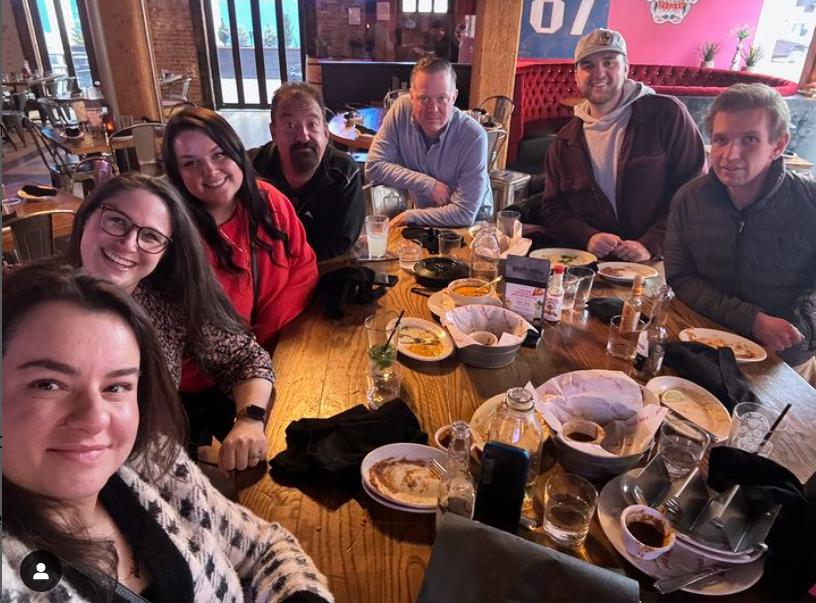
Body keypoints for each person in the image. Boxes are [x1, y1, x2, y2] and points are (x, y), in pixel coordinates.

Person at [1, 265, 335, 602]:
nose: (95, 418)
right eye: (48, 384)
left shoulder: (154, 463)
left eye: (116, 386)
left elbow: (263, 548)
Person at [65, 174, 275, 473]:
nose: (128, 243)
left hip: (154, 477)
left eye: (150, 236)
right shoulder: (27, 303)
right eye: (117, 221)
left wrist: (250, 420)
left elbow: (246, 359)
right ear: (86, 216)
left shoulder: (167, 306)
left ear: (164, 252)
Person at [666, 83, 816, 386]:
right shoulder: (689, 198)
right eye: (721, 140)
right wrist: (751, 320)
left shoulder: (809, 204)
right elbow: (680, 277)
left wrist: (801, 332)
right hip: (702, 339)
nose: (730, 154)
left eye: (749, 140)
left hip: (781, 361)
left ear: (778, 145)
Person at [537, 28, 705, 261]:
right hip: (595, 265)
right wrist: (588, 237)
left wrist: (651, 243)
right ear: (576, 75)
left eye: (609, 62)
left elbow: (694, 190)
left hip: (661, 259)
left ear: (626, 67)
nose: (599, 73)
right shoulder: (564, 142)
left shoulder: (667, 114)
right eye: (588, 66)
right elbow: (554, 210)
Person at [366, 55, 492, 227]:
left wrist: (410, 216)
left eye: (442, 99)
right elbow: (373, 166)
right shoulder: (401, 111)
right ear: (411, 96)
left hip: (474, 222)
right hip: (427, 214)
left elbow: (464, 213)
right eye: (424, 99)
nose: (433, 109)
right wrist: (427, 184)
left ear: (454, 97)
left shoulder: (474, 136)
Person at [249, 82, 365, 261]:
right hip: (268, 273)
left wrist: (289, 259)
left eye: (312, 124)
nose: (303, 136)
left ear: (325, 132)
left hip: (323, 270)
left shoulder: (344, 173)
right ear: (274, 132)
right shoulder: (250, 169)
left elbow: (341, 241)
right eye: (290, 125)